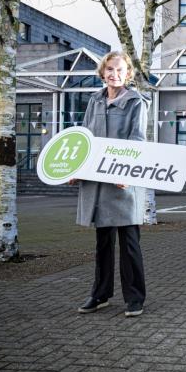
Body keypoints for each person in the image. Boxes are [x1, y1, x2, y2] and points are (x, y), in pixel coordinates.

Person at [74, 51, 148, 318]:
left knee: (129, 242)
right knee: (102, 242)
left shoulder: (136, 102)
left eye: (119, 70)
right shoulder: (94, 100)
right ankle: (100, 294)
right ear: (102, 72)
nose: (113, 74)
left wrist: (126, 172)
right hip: (97, 181)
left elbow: (137, 139)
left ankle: (135, 297)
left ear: (127, 74)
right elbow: (84, 138)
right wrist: (76, 169)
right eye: (109, 69)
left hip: (123, 180)